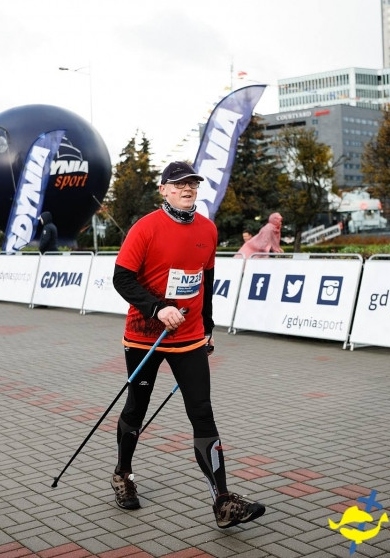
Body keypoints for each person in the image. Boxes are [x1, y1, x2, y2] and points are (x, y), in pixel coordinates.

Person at [110, 160, 266, 529]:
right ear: (163, 189)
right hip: (145, 334)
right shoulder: (145, 228)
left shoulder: (207, 229)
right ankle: (123, 474)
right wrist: (157, 307)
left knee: (202, 411)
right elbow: (122, 279)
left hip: (190, 334)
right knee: (137, 406)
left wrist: (208, 325)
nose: (188, 189)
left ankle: (223, 501)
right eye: (179, 184)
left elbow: (205, 279)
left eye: (193, 184)